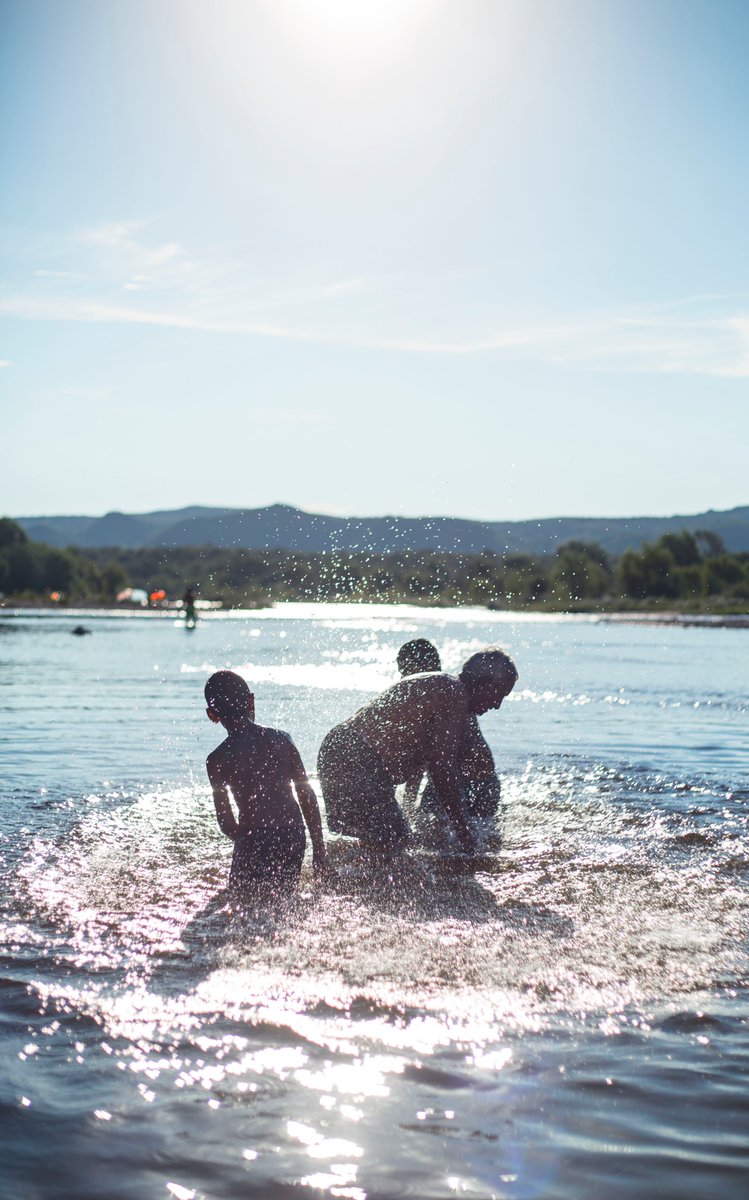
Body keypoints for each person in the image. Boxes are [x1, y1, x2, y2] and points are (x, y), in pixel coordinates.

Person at [317, 648, 517, 858]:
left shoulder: (444, 689)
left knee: (375, 842)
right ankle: (334, 873)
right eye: (499, 694)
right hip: (353, 755)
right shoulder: (454, 694)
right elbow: (442, 768)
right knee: (395, 844)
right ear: (483, 683)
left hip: (340, 750)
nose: (497, 705)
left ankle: (334, 874)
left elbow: (426, 760)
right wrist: (466, 833)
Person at [205, 670, 326, 900]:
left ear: (212, 715)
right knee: (283, 903)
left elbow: (226, 822)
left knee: (243, 904)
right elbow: (306, 795)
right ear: (251, 700)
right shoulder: (282, 740)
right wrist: (319, 850)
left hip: (253, 837)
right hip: (292, 836)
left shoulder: (217, 759)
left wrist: (249, 845)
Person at [396, 639, 504, 827]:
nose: (405, 678)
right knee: (444, 841)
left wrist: (407, 808)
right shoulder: (449, 692)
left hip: (470, 783)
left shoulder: (446, 695)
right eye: (402, 672)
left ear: (431, 667)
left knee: (435, 838)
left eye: (407, 671)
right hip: (464, 781)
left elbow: (422, 760)